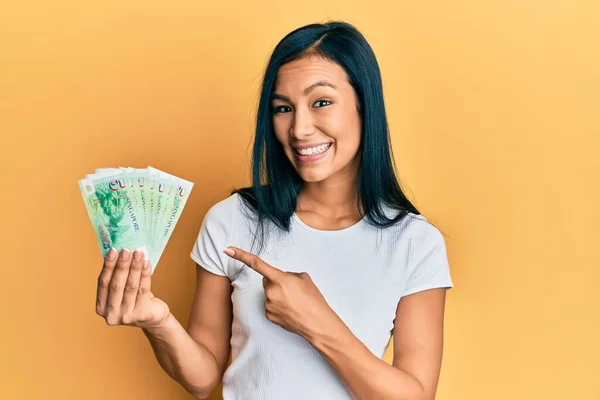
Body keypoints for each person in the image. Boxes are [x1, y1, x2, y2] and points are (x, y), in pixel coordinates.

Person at [95, 21, 454, 400]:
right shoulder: (232, 219)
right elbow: (202, 380)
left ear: (365, 106)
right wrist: (158, 321)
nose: (298, 129)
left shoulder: (416, 242)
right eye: (283, 108)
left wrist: (317, 323)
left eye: (321, 102)